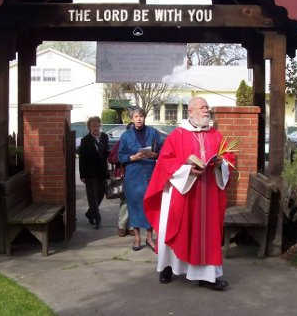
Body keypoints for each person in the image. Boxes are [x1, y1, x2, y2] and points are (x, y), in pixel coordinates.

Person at [144, 97, 236, 291]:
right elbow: (164, 163)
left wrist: (222, 163)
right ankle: (168, 267)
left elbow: (228, 156)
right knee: (176, 229)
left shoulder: (216, 136)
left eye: (207, 108)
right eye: (202, 108)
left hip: (208, 195)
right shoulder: (177, 135)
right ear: (191, 112)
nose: (206, 111)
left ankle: (208, 276)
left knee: (207, 235)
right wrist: (186, 169)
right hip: (183, 194)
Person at [118, 107, 162, 251]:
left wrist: (154, 155)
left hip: (150, 173)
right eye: (136, 116)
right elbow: (120, 156)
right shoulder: (125, 136)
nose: (139, 119)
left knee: (149, 205)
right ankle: (137, 238)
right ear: (132, 119)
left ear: (144, 117)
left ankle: (149, 238)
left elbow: (161, 151)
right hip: (133, 175)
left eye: (141, 116)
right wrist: (133, 157)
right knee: (134, 206)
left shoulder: (153, 132)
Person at [79, 116, 109, 230]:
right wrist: (82, 175)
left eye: (97, 125)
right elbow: (82, 159)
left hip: (102, 172)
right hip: (90, 173)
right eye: (93, 126)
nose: (95, 128)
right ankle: (97, 219)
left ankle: (89, 213)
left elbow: (106, 153)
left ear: (100, 126)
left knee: (101, 194)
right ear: (89, 127)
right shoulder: (85, 140)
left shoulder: (104, 137)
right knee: (92, 197)